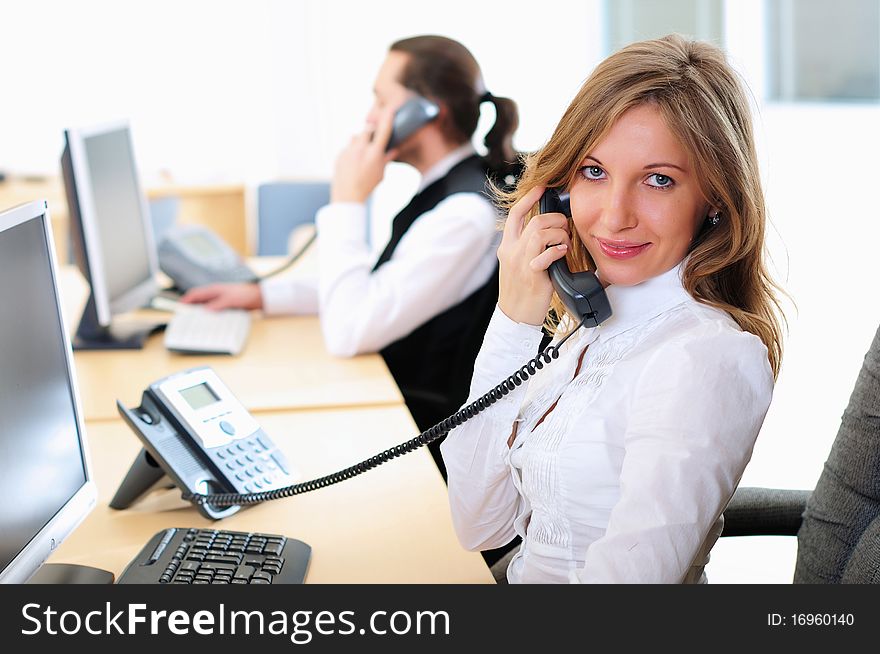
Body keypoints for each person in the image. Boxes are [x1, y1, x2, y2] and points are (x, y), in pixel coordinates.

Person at [439, 34, 786, 584]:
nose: (613, 215)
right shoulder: (591, 321)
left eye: (658, 180)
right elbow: (477, 525)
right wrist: (512, 322)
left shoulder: (705, 357)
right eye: (594, 172)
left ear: (715, 197)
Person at [181, 36, 520, 471]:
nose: (370, 117)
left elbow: (350, 331)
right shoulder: (452, 188)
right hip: (391, 405)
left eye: (381, 101)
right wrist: (266, 297)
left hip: (414, 436)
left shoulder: (462, 215)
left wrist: (348, 200)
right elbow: (384, 284)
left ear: (427, 110)